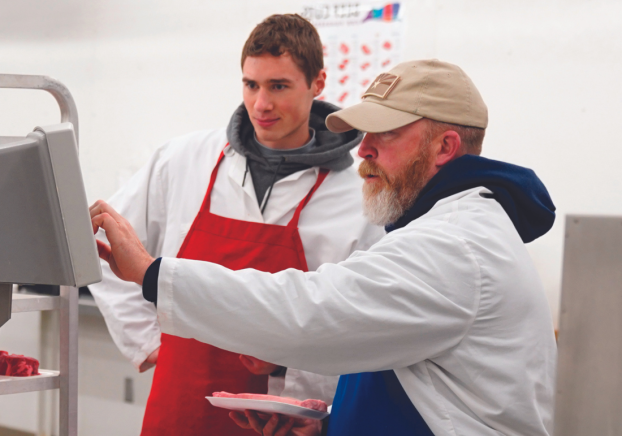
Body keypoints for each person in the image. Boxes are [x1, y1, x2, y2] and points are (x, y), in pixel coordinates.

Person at [91, 59, 558, 435]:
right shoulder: (443, 229)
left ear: (445, 147)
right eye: (250, 84)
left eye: (387, 133)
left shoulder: (454, 245)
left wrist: (152, 275)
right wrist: (330, 423)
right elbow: (409, 373)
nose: (365, 149)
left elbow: (309, 312)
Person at [87, 14, 385, 436]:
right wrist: (149, 342)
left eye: (278, 86)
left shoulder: (356, 196)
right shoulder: (184, 160)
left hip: (282, 419)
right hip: (179, 407)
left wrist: (303, 384)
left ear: (317, 83)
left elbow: (360, 322)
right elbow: (99, 250)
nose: (261, 104)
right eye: (251, 85)